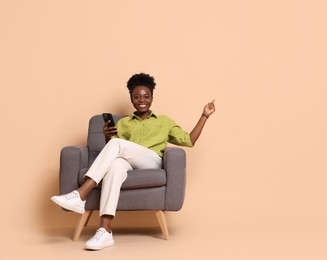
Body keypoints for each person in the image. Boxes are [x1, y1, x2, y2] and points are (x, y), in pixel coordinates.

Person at [50, 73, 216, 250]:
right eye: (136, 97)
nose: (141, 100)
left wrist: (204, 115)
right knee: (114, 166)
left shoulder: (164, 121)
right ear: (131, 99)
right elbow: (113, 151)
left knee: (117, 144)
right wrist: (108, 136)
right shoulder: (124, 123)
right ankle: (104, 231)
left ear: (152, 98)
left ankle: (81, 193)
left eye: (146, 96)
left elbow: (189, 140)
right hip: (128, 162)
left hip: (151, 161)